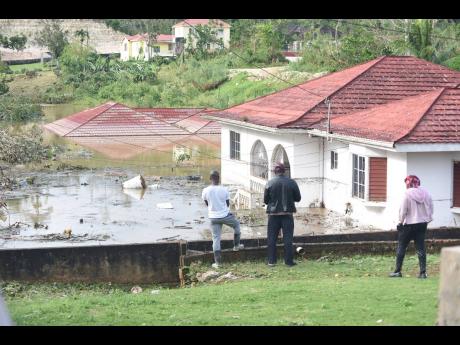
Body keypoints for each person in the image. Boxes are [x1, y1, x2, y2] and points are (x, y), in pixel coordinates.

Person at [389, 175, 433, 279]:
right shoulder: (426, 193)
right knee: (421, 248)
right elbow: (431, 207)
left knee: (402, 247)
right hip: (422, 224)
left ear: (408, 183)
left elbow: (403, 210)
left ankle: (398, 271)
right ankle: (423, 273)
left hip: (408, 224)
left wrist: (400, 221)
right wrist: (427, 218)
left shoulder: (407, 194)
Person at [202, 170, 244, 269]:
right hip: (224, 216)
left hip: (213, 217)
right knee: (237, 225)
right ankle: (236, 246)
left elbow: (207, 203)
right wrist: (223, 210)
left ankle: (218, 263)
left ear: (210, 178)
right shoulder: (224, 189)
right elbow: (227, 204)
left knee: (216, 238)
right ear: (218, 178)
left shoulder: (205, 190)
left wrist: (213, 209)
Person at [264, 163, 301, 267]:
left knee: (271, 238)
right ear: (284, 171)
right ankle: (288, 262)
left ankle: (271, 261)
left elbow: (266, 201)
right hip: (287, 214)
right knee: (288, 238)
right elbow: (298, 198)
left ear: (275, 172)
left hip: (273, 215)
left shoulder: (269, 183)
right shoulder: (292, 182)